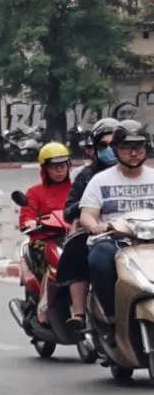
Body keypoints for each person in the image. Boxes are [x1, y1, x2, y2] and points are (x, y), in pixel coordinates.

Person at [79, 119, 154, 319]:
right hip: (115, 241)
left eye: (138, 146)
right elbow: (87, 214)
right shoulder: (100, 180)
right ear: (116, 149)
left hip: (150, 242)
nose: (134, 152)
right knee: (99, 259)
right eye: (127, 147)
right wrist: (95, 226)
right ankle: (112, 315)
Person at [55, 119, 119, 331]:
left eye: (115, 144)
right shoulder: (87, 177)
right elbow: (69, 209)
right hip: (95, 232)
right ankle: (80, 312)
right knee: (77, 252)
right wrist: (87, 208)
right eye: (103, 145)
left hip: (133, 233)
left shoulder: (141, 175)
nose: (110, 150)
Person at [18, 143, 80, 326]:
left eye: (63, 166)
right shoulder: (34, 192)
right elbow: (26, 216)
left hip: (74, 237)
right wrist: (30, 222)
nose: (60, 171)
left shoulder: (76, 188)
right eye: (54, 167)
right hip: (45, 241)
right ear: (45, 169)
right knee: (54, 263)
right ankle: (43, 307)